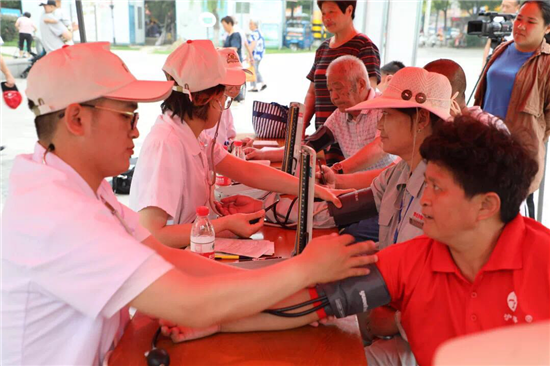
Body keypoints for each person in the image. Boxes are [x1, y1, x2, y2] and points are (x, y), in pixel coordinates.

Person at [0, 42, 378, 365]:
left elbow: (173, 258)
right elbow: (189, 303)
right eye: (126, 115)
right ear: (76, 119)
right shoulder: (56, 212)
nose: (135, 129)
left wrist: (285, 288)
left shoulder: (77, 185)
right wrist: (303, 273)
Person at [164, 116, 550, 366]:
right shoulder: (411, 259)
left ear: (486, 206)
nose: (424, 198)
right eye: (425, 183)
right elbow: (312, 303)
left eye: (436, 188)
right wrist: (217, 322)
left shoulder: (543, 262)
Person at [129, 40, 345, 249]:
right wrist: (223, 224)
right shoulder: (166, 144)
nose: (224, 106)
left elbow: (247, 171)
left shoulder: (195, 135)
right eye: (222, 99)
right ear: (203, 98)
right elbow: (152, 235)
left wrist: (310, 189)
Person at [246, 55, 394, 175]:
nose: (333, 97)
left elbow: (379, 147)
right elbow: (309, 146)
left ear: (361, 84)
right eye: (330, 90)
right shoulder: (339, 116)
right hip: (354, 185)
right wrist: (261, 154)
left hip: (387, 190)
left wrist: (337, 170)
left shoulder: (384, 108)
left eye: (338, 88)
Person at [474, 0, 550, 217]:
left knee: (514, 216)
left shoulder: (547, 62)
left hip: (518, 155)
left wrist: (529, 134)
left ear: (547, 28)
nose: (521, 26)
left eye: (531, 22)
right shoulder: (501, 49)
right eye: (519, 18)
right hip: (483, 145)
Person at [304, 0, 381, 165]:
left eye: (331, 12)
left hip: (354, 136)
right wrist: (300, 127)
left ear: (349, 10)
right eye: (323, 13)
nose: (326, 18)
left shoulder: (364, 46)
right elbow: (312, 92)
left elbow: (368, 95)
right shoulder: (322, 49)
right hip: (327, 132)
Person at [481, 0, 521, 68]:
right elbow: (489, 44)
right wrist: (483, 66)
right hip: (494, 62)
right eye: (502, 6)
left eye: (507, 7)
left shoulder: (521, 23)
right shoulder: (496, 20)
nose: (504, 10)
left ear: (517, 7)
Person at [248, 19, 267, 92]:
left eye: (250, 24)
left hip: (254, 55)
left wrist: (249, 55)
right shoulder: (260, 32)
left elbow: (253, 44)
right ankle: (262, 83)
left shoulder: (254, 34)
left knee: (253, 70)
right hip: (260, 55)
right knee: (255, 70)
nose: (249, 25)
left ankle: (255, 86)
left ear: (254, 25)